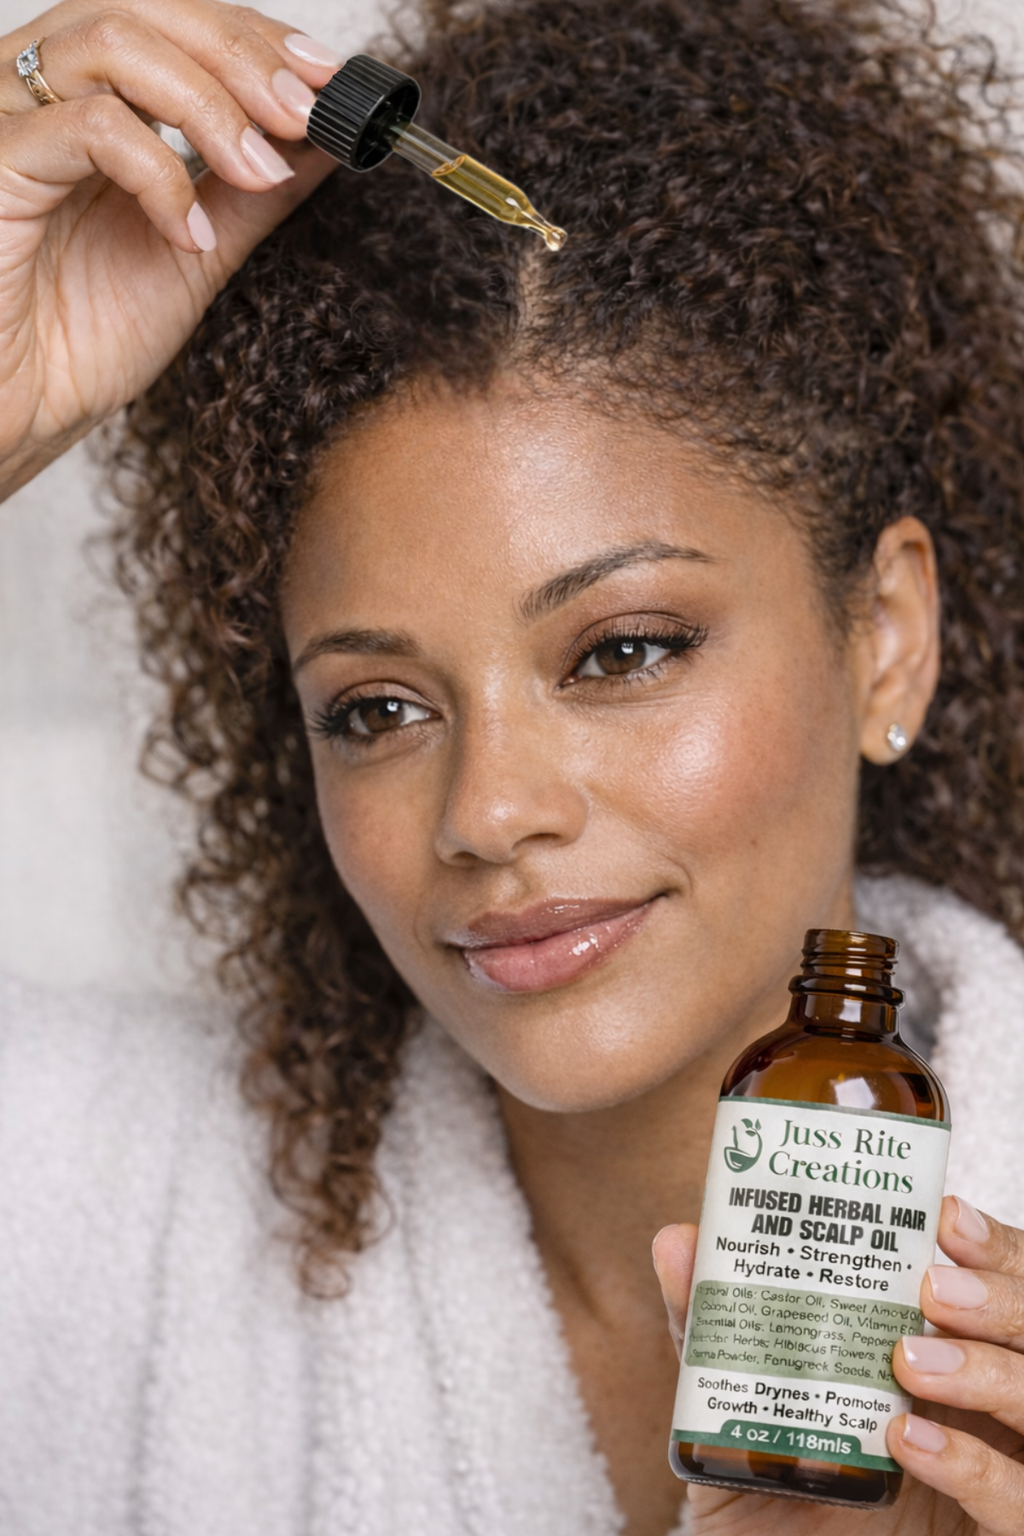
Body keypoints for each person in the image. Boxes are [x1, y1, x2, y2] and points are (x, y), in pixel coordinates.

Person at [1, 0, 1024, 1532]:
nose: (487, 814)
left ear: (884, 635)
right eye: (375, 710)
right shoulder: (93, 1217)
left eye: (622, 652)